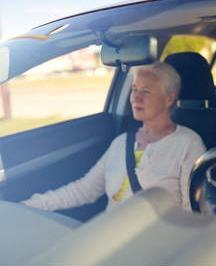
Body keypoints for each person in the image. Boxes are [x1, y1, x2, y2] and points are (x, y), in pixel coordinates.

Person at [22, 62, 206, 211]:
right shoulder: (122, 142)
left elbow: (190, 210)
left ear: (169, 99)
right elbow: (84, 190)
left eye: (146, 91)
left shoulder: (188, 143)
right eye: (134, 89)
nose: (136, 98)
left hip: (153, 240)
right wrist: (30, 205)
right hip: (109, 234)